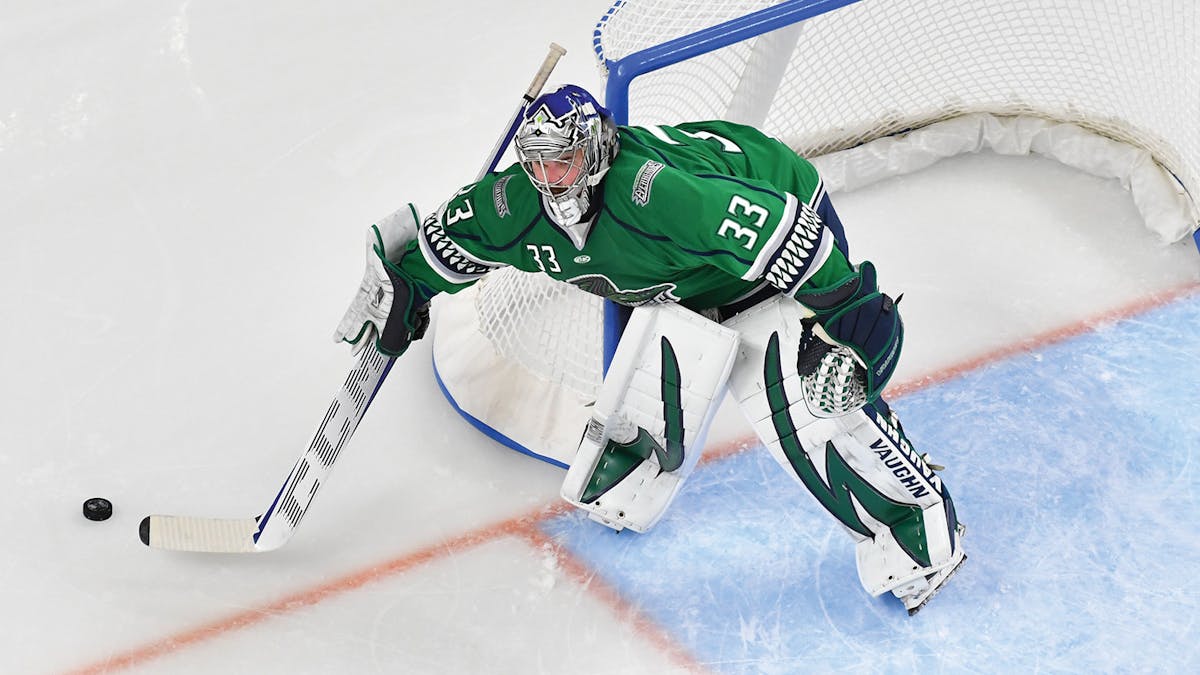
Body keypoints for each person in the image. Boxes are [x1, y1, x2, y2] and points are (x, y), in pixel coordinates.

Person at [333, 84, 965, 614]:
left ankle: (920, 526)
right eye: (540, 165)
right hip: (681, 273)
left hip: (769, 232)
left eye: (566, 162)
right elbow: (447, 246)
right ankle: (637, 468)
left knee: (798, 396)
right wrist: (405, 287)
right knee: (661, 358)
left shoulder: (658, 194)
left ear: (600, 150)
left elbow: (784, 229)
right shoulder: (515, 204)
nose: (553, 180)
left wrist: (849, 308)